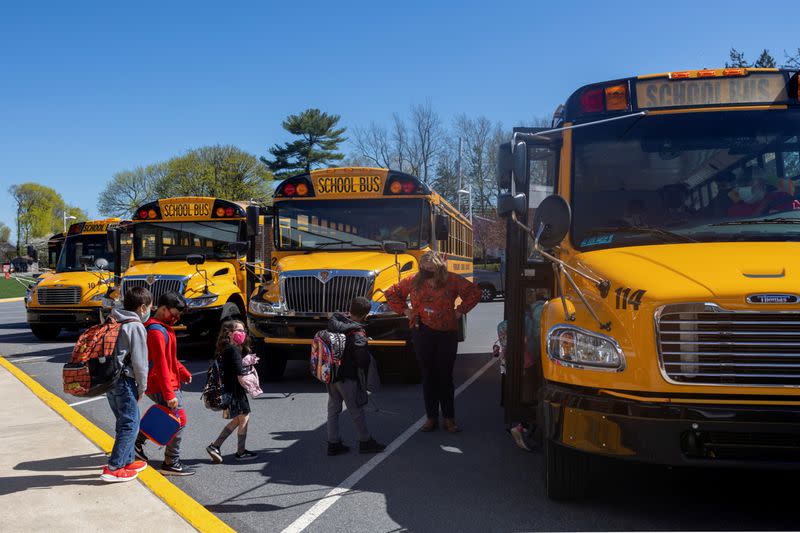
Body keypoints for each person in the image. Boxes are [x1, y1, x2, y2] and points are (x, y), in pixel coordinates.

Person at [385, 251, 481, 433]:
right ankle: (431, 418)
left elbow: (474, 292)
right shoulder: (413, 280)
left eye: (431, 268)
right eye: (424, 268)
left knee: (445, 376)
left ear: (439, 267)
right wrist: (406, 311)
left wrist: (460, 311)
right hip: (421, 331)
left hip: (447, 332)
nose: (427, 271)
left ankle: (449, 418)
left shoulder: (451, 280)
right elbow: (391, 293)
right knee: (428, 376)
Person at [134, 292, 194, 476]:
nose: (176, 318)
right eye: (173, 314)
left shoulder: (163, 328)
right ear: (162, 308)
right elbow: (160, 365)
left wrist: (182, 372)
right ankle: (171, 462)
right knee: (179, 420)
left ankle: (135, 442)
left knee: (165, 417)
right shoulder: (156, 332)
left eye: (178, 316)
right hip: (162, 384)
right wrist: (169, 395)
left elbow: (170, 358)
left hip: (166, 382)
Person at [101, 286, 153, 483]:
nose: (150, 310)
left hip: (110, 380)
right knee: (130, 423)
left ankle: (128, 459)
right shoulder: (135, 326)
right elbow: (140, 362)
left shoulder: (113, 318)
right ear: (141, 307)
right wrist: (142, 387)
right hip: (126, 379)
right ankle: (114, 467)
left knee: (123, 422)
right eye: (149, 306)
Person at [326, 297, 386, 456]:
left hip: (331, 374)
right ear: (365, 315)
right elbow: (362, 360)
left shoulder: (335, 322)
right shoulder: (357, 332)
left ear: (350, 309)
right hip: (349, 376)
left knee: (333, 408)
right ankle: (365, 441)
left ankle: (333, 442)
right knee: (356, 409)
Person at [206, 320, 257, 463]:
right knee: (244, 416)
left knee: (238, 419)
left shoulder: (225, 348)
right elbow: (239, 370)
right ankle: (240, 452)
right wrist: (248, 363)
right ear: (229, 333)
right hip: (235, 391)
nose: (243, 333)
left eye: (243, 331)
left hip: (230, 390)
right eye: (239, 331)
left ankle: (215, 446)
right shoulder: (233, 349)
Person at [728, 170, 793, 218]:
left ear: (764, 185)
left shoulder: (781, 198)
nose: (747, 188)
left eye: (751, 183)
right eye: (743, 185)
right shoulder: (735, 209)